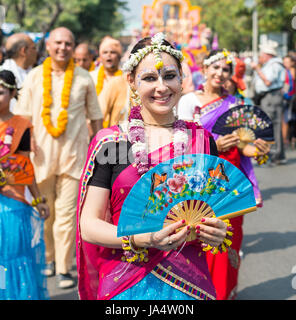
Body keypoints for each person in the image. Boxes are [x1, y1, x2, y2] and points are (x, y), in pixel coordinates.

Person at [77, 33, 231, 300]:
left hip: (189, 283)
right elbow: (89, 225)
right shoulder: (111, 143)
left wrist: (216, 232)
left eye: (169, 76)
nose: (162, 87)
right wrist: (142, 239)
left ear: (181, 79)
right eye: (149, 78)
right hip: (126, 282)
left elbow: (215, 211)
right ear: (132, 82)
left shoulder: (201, 140)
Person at [14, 27, 103, 289]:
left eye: (68, 43)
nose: (63, 48)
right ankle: (49, 259)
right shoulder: (33, 78)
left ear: (73, 47)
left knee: (66, 216)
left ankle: (64, 267)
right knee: (45, 213)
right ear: (49, 46)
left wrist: (103, 153)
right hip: (40, 159)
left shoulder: (84, 78)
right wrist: (20, 156)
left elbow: (96, 118)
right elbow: (22, 118)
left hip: (74, 158)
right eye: (58, 43)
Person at [178, 49, 270, 300]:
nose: (220, 73)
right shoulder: (188, 102)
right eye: (215, 68)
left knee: (230, 238)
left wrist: (258, 150)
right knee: (204, 238)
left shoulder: (236, 104)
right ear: (205, 70)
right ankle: (204, 292)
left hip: (233, 180)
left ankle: (225, 291)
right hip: (199, 180)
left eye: (225, 69)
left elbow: (243, 145)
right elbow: (182, 145)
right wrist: (214, 146)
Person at [0, 70, 49, 299]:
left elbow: (26, 167)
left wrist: (38, 199)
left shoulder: (21, 125)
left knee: (13, 254)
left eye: (0, 92)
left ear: (12, 93)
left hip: (14, 204)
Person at [251, 41, 286, 165]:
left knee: (273, 126)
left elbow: (268, 82)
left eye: (262, 55)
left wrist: (257, 69)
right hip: (268, 97)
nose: (260, 57)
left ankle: (276, 154)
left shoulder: (274, 65)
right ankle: (275, 154)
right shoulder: (270, 64)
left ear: (267, 55)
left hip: (271, 96)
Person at [90, 36, 123, 125]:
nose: (109, 55)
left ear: (119, 56)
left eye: (113, 52)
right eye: (105, 52)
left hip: (119, 132)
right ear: (100, 56)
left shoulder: (126, 79)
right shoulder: (91, 77)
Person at [1, 33, 37, 112]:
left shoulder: (37, 72)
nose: (36, 52)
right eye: (34, 48)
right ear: (23, 51)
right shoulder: (3, 75)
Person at [282, 55, 296, 150]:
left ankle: (293, 138)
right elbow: (285, 85)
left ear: (293, 62)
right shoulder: (284, 71)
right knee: (286, 119)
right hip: (286, 97)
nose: (286, 64)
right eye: (284, 62)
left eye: (287, 62)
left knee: (295, 119)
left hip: (295, 98)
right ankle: (286, 139)